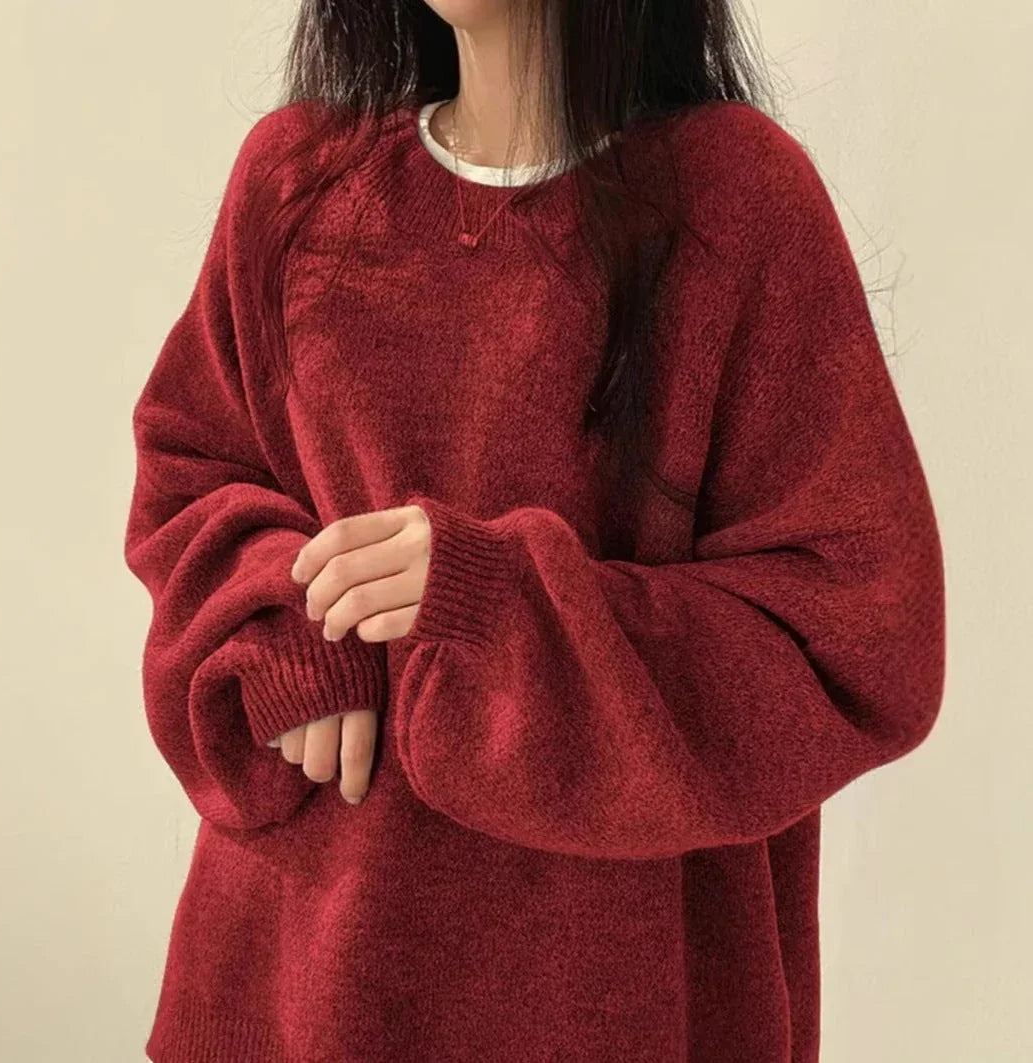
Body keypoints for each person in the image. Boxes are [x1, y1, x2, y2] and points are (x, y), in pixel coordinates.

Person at [122, 1, 946, 1060]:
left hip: (614, 998)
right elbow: (189, 468)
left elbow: (861, 638)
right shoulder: (295, 180)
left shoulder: (733, 200)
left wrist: (493, 606)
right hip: (297, 984)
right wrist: (285, 625)